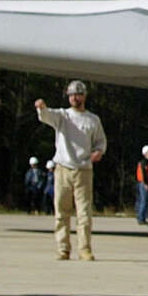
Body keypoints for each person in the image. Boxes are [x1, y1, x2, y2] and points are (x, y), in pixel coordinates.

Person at [36, 78, 105, 260]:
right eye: (72, 94)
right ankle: (63, 248)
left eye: (78, 94)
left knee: (84, 212)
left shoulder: (92, 120)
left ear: (84, 96)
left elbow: (100, 141)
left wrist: (98, 152)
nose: (74, 98)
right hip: (63, 168)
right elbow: (47, 116)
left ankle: (85, 249)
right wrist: (41, 108)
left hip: (84, 170)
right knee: (61, 211)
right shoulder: (63, 116)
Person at [134, 145, 148, 226]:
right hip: (144, 184)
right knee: (144, 201)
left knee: (147, 201)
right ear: (145, 153)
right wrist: (145, 183)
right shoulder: (143, 163)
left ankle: (145, 217)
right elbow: (143, 174)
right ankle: (141, 218)